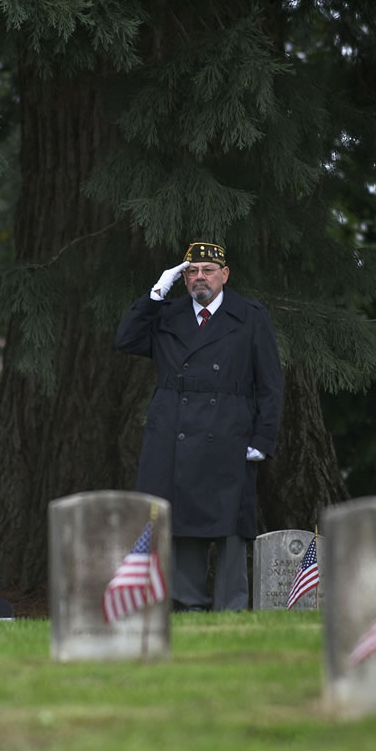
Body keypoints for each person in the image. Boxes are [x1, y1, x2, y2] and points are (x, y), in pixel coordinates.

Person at [115, 240, 284, 611]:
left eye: (208, 271)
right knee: (181, 524)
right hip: (174, 432)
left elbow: (270, 384)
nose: (199, 278)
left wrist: (262, 438)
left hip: (229, 432)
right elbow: (125, 339)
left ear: (225, 275)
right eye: (191, 272)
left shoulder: (251, 316)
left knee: (229, 526)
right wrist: (156, 293)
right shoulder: (166, 313)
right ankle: (187, 604)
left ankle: (231, 607)